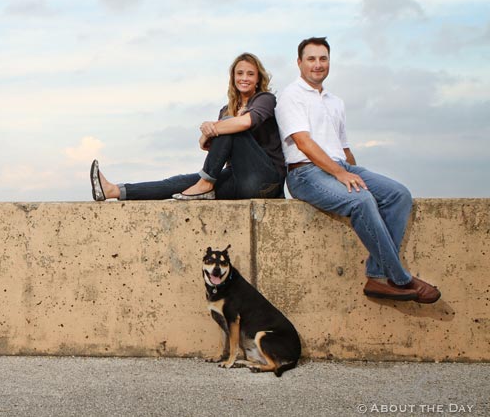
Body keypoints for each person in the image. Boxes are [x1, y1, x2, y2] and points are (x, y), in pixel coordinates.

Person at [275, 36, 440, 303]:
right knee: (361, 200)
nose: (318, 64)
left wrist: (352, 172)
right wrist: (341, 175)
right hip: (305, 173)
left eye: (323, 59)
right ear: (299, 63)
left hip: (339, 165)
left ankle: (376, 277)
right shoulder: (290, 96)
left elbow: (343, 148)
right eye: (311, 59)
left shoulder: (334, 101)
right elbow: (304, 144)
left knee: (399, 195)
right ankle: (400, 279)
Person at [90, 52, 285, 202]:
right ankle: (115, 190)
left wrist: (217, 126)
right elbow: (206, 145)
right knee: (180, 182)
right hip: (239, 181)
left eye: (250, 74)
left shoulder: (265, 99)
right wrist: (207, 130)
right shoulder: (226, 110)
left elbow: (246, 122)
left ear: (258, 79)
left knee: (228, 125)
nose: (245, 78)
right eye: (240, 73)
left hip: (266, 181)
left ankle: (206, 182)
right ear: (233, 77)